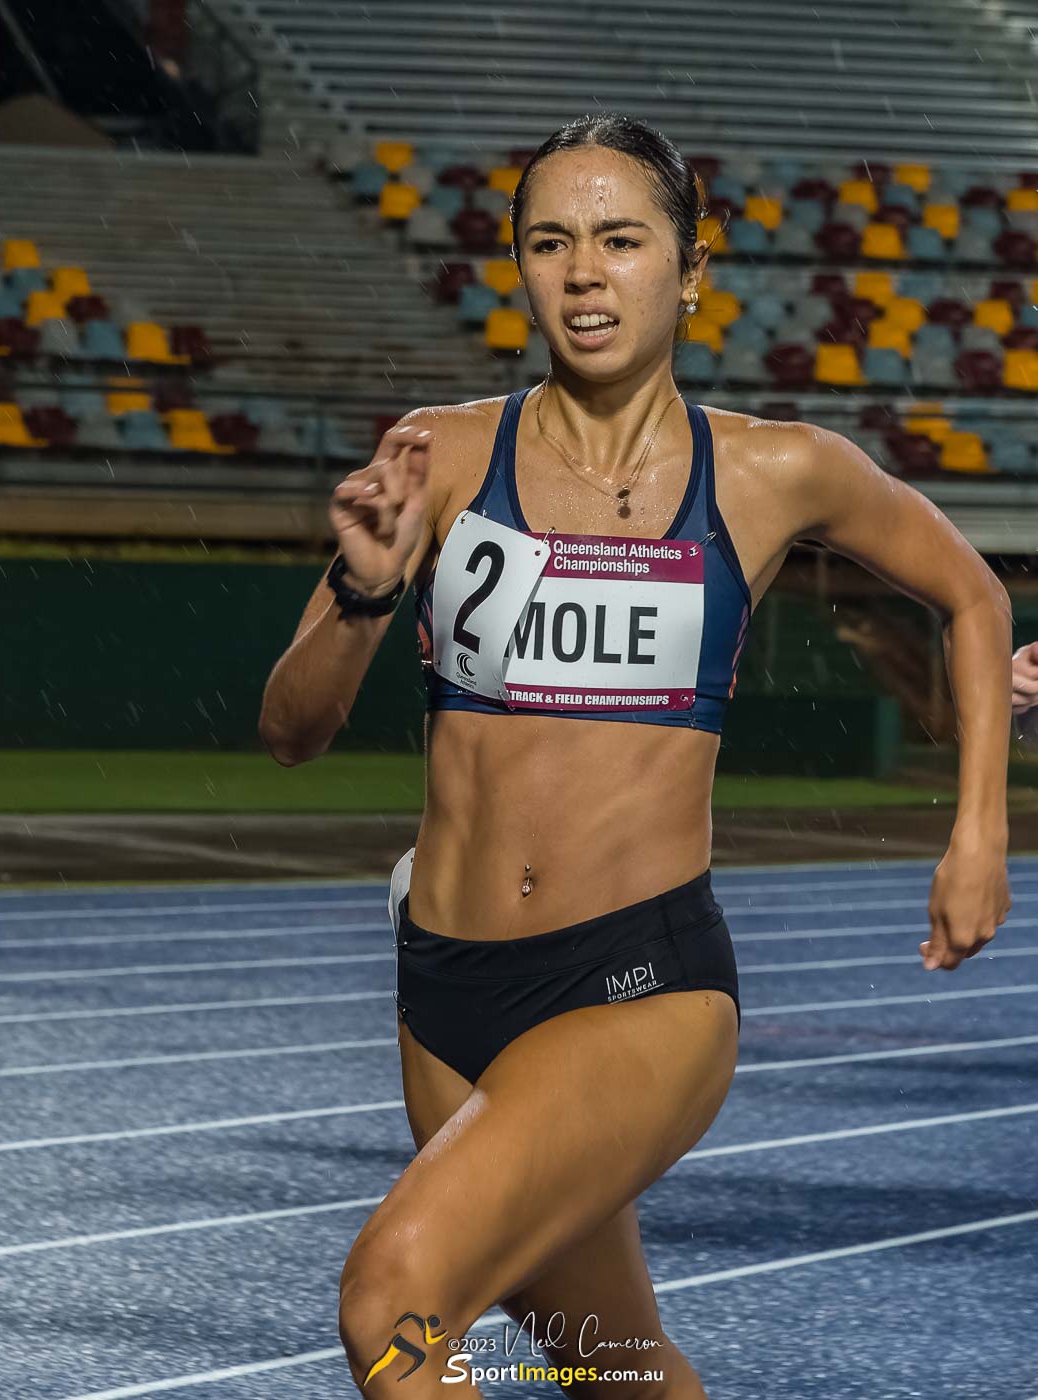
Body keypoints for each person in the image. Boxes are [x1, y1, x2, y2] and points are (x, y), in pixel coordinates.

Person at [258, 113, 1013, 1399]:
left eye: (621, 238)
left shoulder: (776, 471)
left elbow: (976, 596)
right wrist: (367, 587)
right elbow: (290, 732)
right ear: (518, 268)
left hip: (640, 982)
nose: (585, 271)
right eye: (551, 241)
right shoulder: (441, 454)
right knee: (618, 1369)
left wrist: (977, 829)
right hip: (445, 991)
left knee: (395, 1304)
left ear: (691, 267)